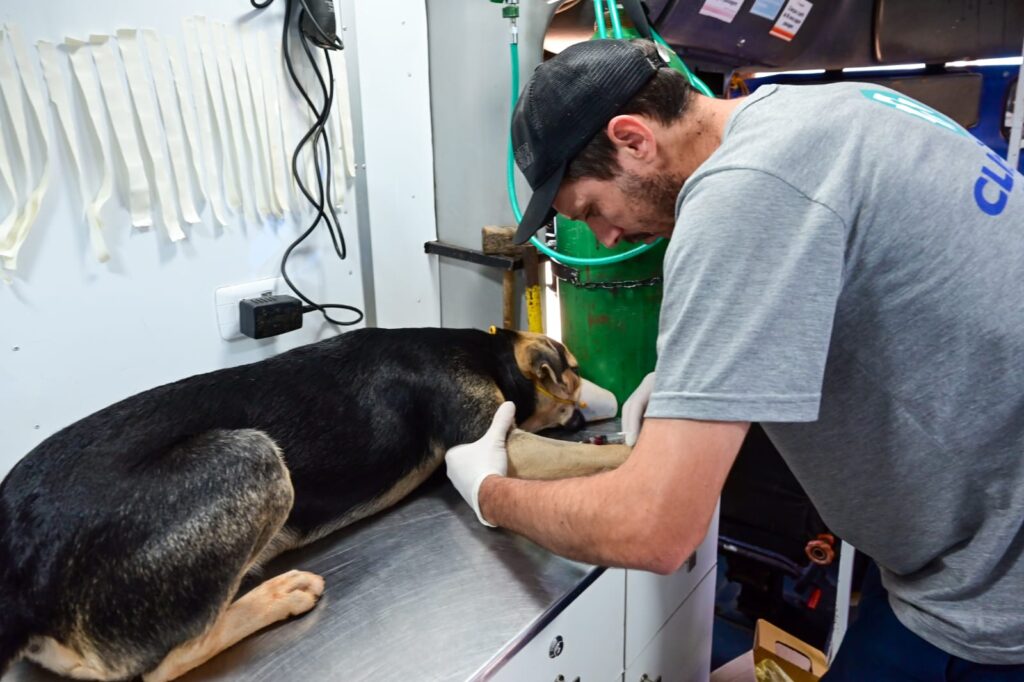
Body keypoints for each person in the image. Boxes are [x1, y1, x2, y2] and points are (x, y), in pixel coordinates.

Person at [444, 38, 1024, 679]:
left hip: (991, 596)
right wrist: (689, 374)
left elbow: (653, 529)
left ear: (633, 139)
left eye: (591, 209)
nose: (604, 236)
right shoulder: (814, 113)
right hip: (962, 556)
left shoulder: (742, 193)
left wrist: (490, 493)